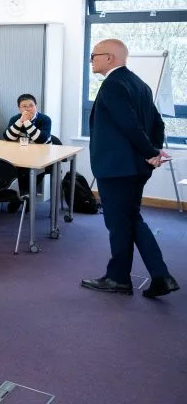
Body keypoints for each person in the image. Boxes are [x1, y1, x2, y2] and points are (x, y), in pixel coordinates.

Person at [81, 38, 177, 298]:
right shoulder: (140, 84)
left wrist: (151, 152)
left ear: (110, 58)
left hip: (116, 169)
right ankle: (160, 276)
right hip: (134, 168)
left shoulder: (113, 85)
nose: (91, 60)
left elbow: (129, 125)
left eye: (94, 55)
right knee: (131, 219)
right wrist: (153, 151)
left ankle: (119, 279)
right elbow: (158, 123)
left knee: (119, 223)